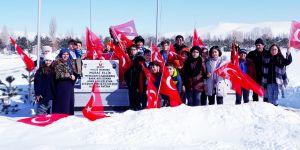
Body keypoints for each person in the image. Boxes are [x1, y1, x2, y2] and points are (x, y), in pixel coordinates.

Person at [52, 48, 81, 115]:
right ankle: (59, 117)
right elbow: (58, 74)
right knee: (61, 104)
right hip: (61, 86)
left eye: (67, 54)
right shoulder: (57, 62)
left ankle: (68, 119)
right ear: (61, 55)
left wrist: (79, 57)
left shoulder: (71, 62)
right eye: (64, 54)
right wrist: (70, 75)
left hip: (69, 86)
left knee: (69, 103)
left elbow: (78, 70)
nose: (66, 56)